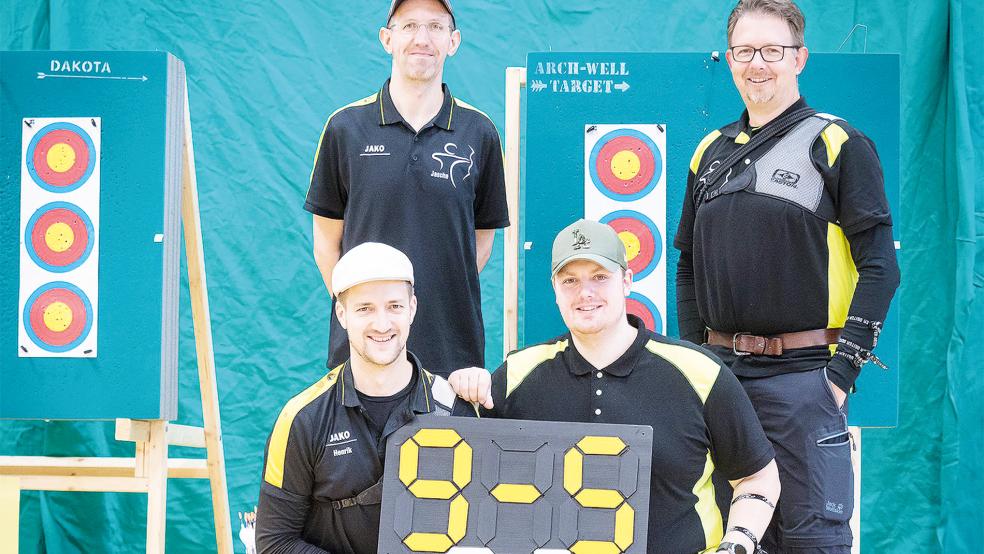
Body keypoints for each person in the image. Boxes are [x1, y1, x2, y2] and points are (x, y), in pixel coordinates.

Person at [674, 0, 901, 551]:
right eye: (745, 51)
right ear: (729, 60)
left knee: (811, 540)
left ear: (800, 58)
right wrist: (697, 362)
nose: (758, 64)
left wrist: (840, 374)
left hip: (804, 385)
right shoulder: (709, 152)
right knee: (729, 537)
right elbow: (686, 267)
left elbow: (881, 267)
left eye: (773, 51)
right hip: (724, 384)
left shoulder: (838, 144)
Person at [450, 219, 780, 554]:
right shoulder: (518, 374)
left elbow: (758, 477)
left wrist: (738, 542)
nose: (585, 293)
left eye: (599, 277)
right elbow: (459, 472)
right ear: (554, 288)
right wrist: (463, 392)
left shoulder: (699, 371)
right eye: (570, 280)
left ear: (626, 281)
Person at [304, 0, 509, 378]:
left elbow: (480, 242)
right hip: (366, 353)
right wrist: (367, 313)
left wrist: (432, 297)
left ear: (453, 41)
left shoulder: (479, 132)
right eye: (409, 26)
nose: (422, 38)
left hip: (453, 351)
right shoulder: (345, 128)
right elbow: (325, 243)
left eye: (435, 27)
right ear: (387, 39)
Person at [256, 243, 476, 554]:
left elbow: (480, 535)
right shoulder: (302, 419)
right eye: (365, 308)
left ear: (412, 307)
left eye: (394, 306)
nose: (382, 324)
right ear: (342, 314)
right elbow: (274, 542)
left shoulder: (455, 410)